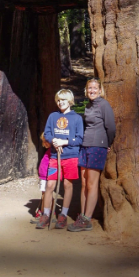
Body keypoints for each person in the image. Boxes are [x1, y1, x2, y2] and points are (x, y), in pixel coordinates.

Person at [69, 78, 116, 232]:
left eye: (95, 88)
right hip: (85, 146)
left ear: (100, 90)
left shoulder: (104, 105)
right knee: (83, 183)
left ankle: (86, 219)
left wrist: (107, 144)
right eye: (90, 88)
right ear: (86, 90)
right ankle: (82, 216)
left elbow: (111, 127)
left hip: (97, 146)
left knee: (91, 183)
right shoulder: (88, 106)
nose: (92, 90)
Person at [36, 89, 83, 229]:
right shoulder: (53, 116)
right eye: (58, 100)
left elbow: (80, 138)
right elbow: (48, 133)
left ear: (70, 101)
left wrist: (64, 142)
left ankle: (63, 215)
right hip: (54, 157)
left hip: (71, 156)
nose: (60, 102)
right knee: (50, 185)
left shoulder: (77, 118)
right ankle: (45, 214)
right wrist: (54, 140)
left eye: (63, 100)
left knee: (68, 185)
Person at [30, 133, 53, 224]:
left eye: (45, 141)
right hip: (43, 176)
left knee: (45, 194)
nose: (44, 143)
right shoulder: (49, 151)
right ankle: (46, 211)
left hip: (46, 176)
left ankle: (44, 213)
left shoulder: (53, 152)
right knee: (45, 194)